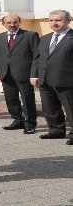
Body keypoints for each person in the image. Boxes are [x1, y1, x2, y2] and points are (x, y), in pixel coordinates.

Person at [31, 10, 73, 145]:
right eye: (51, 20)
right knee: (50, 107)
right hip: (45, 79)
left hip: (66, 81)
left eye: (58, 20)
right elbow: (37, 58)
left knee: (71, 109)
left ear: (68, 20)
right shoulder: (45, 38)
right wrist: (34, 75)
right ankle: (56, 131)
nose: (54, 23)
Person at [0, 14, 39, 134]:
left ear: (19, 22)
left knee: (27, 99)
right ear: (4, 24)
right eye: (9, 23)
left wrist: (34, 74)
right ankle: (18, 120)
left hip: (24, 74)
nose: (12, 25)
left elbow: (37, 56)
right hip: (6, 74)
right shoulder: (0, 37)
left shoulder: (30, 35)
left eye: (15, 22)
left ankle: (30, 123)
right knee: (11, 99)